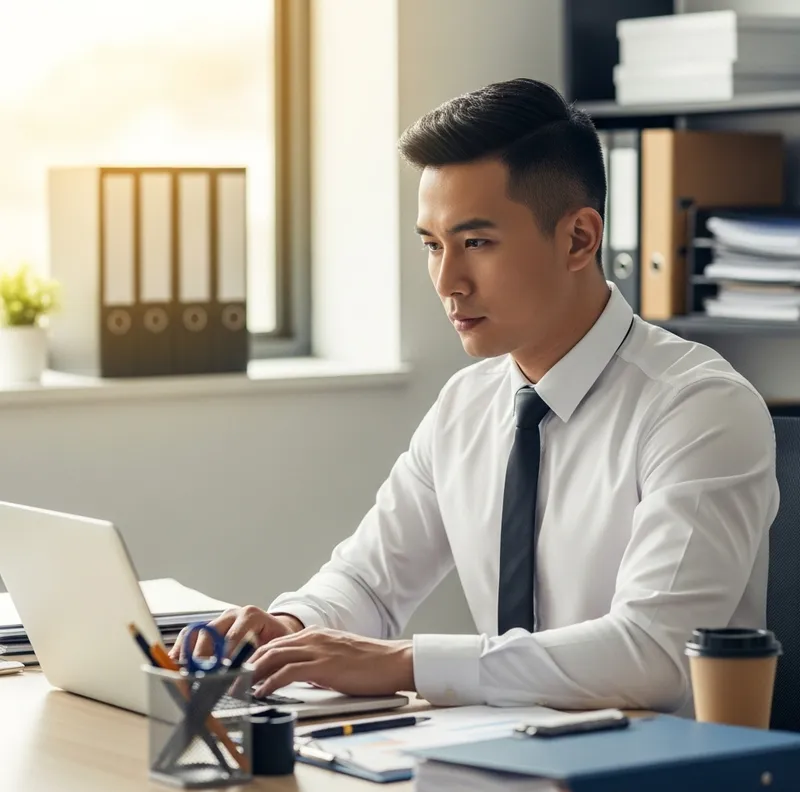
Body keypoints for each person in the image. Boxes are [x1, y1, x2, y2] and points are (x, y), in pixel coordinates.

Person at [173, 78, 778, 715]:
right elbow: (370, 582)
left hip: (657, 760)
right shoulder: (468, 405)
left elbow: (656, 654)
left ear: (579, 239)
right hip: (496, 751)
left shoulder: (700, 409)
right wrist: (292, 627)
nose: (447, 281)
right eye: (432, 245)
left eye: (476, 243)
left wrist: (405, 664)